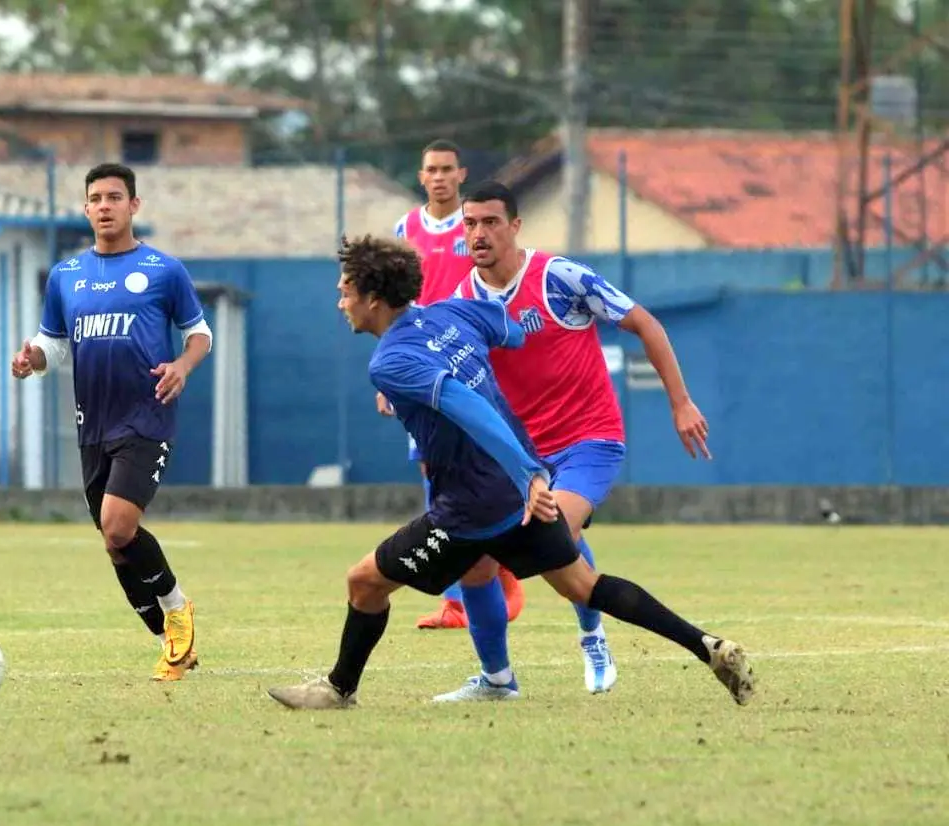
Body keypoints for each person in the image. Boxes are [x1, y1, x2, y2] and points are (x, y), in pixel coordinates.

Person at [264, 234, 755, 711]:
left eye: (345, 292)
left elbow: (466, 403)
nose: (340, 303)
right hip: (515, 496)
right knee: (583, 585)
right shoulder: (449, 314)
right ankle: (706, 645)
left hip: (471, 508)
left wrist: (528, 475)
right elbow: (512, 330)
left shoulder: (389, 360)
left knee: (364, 583)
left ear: (373, 299)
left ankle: (338, 689)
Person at [430, 181, 713, 700]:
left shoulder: (560, 277)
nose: (479, 233)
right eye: (470, 224)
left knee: (549, 527)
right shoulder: (462, 303)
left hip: (589, 440)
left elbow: (644, 323)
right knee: (476, 561)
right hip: (520, 458)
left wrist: (680, 403)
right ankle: (497, 679)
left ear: (515, 226)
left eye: (491, 222)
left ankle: (592, 634)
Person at [10, 162, 212, 682]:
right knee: (114, 541)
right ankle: (171, 640)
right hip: (92, 423)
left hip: (146, 416)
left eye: (114, 197)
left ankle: (178, 607)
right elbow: (54, 344)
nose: (104, 206)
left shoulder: (164, 270)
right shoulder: (66, 276)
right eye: (96, 198)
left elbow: (199, 334)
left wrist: (182, 367)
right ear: (85, 209)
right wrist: (32, 358)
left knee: (119, 524)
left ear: (134, 206)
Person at [387, 138, 528, 630]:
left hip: (468, 358)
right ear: (421, 176)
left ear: (461, 173)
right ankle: (457, 598)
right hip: (421, 366)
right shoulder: (404, 229)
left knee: (490, 460)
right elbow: (391, 303)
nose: (440, 176)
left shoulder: (475, 228)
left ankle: (502, 569)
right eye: (432, 169)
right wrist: (391, 381)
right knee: (434, 469)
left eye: (448, 168)